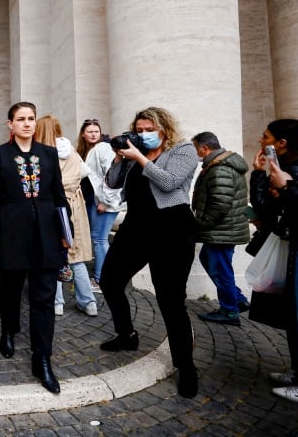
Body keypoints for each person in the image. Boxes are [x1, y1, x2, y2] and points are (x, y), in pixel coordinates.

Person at [98, 106, 198, 398]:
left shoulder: (183, 150)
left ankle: (186, 366)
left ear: (164, 129)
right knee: (110, 281)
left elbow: (168, 182)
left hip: (173, 230)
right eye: (140, 130)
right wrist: (119, 157)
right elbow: (112, 183)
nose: (144, 135)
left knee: (170, 300)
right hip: (136, 228)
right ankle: (127, 334)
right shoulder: (133, 153)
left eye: (149, 130)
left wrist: (140, 158)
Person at [0, 102, 70, 394]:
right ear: (10, 124)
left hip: (46, 236)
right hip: (10, 236)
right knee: (9, 290)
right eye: (20, 119)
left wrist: (65, 233)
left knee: (43, 298)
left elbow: (59, 196)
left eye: (31, 118)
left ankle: (41, 358)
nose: (27, 123)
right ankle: (8, 329)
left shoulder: (48, 154)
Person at [250, 119, 298, 405]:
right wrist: (262, 175)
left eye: (266, 136)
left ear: (281, 143)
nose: (261, 140)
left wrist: (283, 188)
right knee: (295, 315)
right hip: (295, 248)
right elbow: (266, 207)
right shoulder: (286, 170)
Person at [35, 115, 97, 317]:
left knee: (53, 255)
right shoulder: (70, 150)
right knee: (76, 256)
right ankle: (88, 302)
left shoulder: (42, 153)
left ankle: (57, 303)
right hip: (74, 207)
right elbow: (85, 173)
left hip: (52, 206)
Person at [191, 131, 251, 326]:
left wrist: (201, 224)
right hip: (224, 229)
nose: (196, 152)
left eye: (196, 148)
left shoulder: (220, 169)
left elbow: (219, 204)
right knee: (209, 260)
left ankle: (229, 311)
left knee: (221, 270)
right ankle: (238, 299)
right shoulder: (218, 165)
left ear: (205, 148)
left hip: (222, 231)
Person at [77, 118, 123, 293]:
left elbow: (112, 175)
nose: (94, 134)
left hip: (104, 203)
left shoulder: (103, 148)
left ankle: (101, 280)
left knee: (100, 240)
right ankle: (101, 277)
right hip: (94, 201)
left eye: (96, 131)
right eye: (90, 131)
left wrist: (105, 201)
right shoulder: (88, 150)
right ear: (83, 134)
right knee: (98, 239)